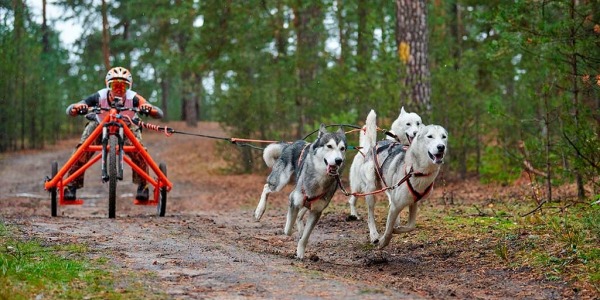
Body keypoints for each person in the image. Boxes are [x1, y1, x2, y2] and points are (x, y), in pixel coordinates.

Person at [64, 67, 164, 201]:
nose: (118, 90)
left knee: (139, 151)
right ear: (108, 85)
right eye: (114, 85)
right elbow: (73, 108)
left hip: (127, 125)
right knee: (81, 150)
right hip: (100, 124)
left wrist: (148, 108)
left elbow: (157, 112)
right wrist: (78, 108)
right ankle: (71, 185)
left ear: (128, 88)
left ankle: (143, 185)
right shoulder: (99, 96)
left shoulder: (133, 98)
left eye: (122, 87)